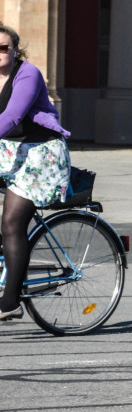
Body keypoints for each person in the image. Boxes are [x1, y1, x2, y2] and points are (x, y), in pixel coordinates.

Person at [0, 22, 72, 321]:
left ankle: (10, 302)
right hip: (11, 150)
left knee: (12, 223)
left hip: (41, 155)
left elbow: (13, 114)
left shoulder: (27, 73)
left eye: (3, 48)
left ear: (15, 50)